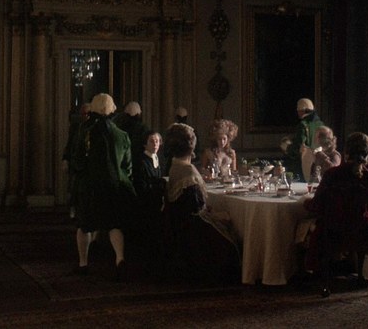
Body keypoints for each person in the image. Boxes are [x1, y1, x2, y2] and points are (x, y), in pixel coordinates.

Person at [69, 93, 136, 281]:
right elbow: (127, 167)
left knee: (84, 225)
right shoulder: (121, 135)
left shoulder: (85, 131)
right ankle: (120, 259)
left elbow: (78, 160)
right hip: (112, 186)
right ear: (112, 108)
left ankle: (83, 263)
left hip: (89, 186)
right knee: (114, 224)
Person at [163, 122, 240, 283]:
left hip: (183, 223)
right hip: (194, 228)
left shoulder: (175, 165)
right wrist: (217, 215)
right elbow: (196, 209)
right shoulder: (188, 171)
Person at [303, 132, 368, 284]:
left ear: (346, 151)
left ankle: (315, 272)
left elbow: (318, 204)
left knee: (305, 228)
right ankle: (361, 274)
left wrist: (305, 203)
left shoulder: (332, 175)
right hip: (361, 232)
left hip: (332, 232)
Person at [131, 130, 165, 265]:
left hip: (156, 200)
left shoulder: (157, 158)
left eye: (157, 141)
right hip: (146, 202)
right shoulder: (141, 161)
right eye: (152, 141)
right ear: (145, 144)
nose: (155, 144)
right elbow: (141, 185)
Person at [285, 98, 325, 181]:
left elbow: (300, 145)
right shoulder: (321, 124)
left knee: (305, 183)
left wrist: (287, 147)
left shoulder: (303, 125)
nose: (297, 113)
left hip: (306, 160)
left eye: (298, 111)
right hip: (320, 159)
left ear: (303, 110)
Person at [62, 102, 90, 219]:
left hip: (87, 165)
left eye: (87, 114)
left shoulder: (92, 128)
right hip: (76, 163)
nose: (85, 116)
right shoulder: (76, 128)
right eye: (83, 114)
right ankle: (73, 207)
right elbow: (70, 145)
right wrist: (65, 159)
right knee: (73, 188)